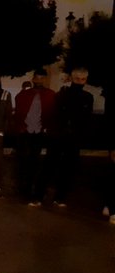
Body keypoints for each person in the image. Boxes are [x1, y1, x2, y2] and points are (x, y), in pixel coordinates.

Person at [31, 68, 93, 207]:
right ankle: (39, 195)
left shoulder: (87, 97)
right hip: (58, 136)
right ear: (72, 78)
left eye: (83, 79)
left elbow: (86, 119)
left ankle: (60, 196)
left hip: (73, 138)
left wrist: (81, 135)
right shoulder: (62, 95)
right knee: (49, 166)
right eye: (78, 79)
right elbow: (54, 114)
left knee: (68, 169)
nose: (80, 82)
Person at [13, 69, 55, 203]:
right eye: (38, 78)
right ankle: (22, 187)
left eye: (42, 78)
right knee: (23, 160)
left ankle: (31, 188)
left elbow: (51, 113)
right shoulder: (24, 95)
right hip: (25, 131)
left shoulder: (50, 95)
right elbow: (19, 112)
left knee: (34, 161)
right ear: (33, 79)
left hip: (39, 132)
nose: (40, 81)